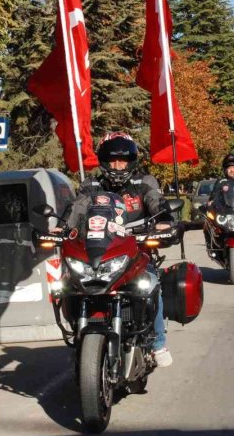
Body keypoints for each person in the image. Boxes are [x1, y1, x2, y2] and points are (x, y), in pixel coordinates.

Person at [61, 132, 175, 367]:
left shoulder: (144, 183)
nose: (117, 165)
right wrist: (61, 227)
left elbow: (157, 202)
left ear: (131, 160)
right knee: (67, 285)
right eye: (112, 160)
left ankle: (157, 344)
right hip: (98, 250)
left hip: (135, 251)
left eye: (122, 160)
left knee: (151, 283)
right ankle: (79, 333)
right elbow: (77, 208)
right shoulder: (92, 185)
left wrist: (165, 220)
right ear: (104, 160)